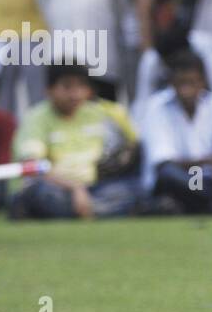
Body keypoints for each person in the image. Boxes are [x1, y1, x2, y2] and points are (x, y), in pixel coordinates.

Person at [11, 63, 141, 219]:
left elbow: (134, 143)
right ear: (49, 90)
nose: (75, 94)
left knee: (134, 189)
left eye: (81, 86)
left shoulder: (99, 113)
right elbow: (33, 166)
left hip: (95, 186)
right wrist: (75, 188)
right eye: (67, 87)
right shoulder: (36, 118)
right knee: (42, 194)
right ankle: (98, 211)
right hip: (56, 187)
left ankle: (82, 210)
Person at [140, 49, 212, 212]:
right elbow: (163, 163)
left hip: (211, 179)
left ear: (203, 82)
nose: (186, 90)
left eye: (191, 82)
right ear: (171, 82)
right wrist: (209, 162)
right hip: (177, 182)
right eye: (181, 83)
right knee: (170, 175)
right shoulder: (157, 106)